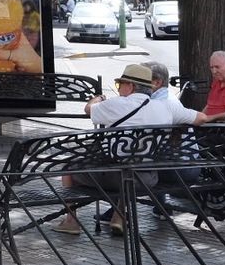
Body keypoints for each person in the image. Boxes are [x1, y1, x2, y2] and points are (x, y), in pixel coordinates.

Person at [55, 62, 163, 235]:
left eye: (121, 84)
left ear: (131, 86)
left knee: (69, 168)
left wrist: (99, 99)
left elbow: (88, 109)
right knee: (127, 164)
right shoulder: (164, 107)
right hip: (149, 178)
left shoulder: (117, 104)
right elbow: (198, 117)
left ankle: (71, 221)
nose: (119, 89)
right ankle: (118, 215)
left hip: (116, 179)